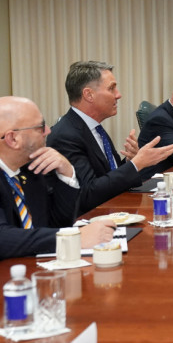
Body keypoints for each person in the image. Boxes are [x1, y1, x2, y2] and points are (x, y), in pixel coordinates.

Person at [48, 61, 173, 213]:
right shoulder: (66, 135)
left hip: (114, 210)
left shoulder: (95, 128)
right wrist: (136, 164)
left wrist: (129, 162)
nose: (118, 95)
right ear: (89, 94)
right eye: (111, 88)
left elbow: (109, 176)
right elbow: (88, 193)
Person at [0, 96, 115, 259]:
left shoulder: (31, 169)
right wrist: (75, 237)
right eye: (40, 127)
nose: (48, 131)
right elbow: (3, 238)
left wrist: (67, 174)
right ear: (13, 139)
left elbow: (57, 224)